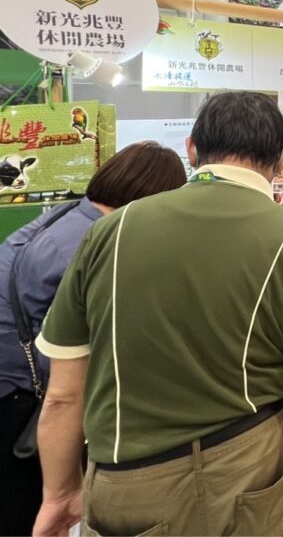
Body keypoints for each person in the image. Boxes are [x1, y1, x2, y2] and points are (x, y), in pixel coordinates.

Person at [33, 92, 283, 536]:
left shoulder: (109, 231)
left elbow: (63, 394)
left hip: (119, 480)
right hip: (243, 473)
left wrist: (59, 493)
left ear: (191, 149)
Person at [0, 142, 185, 536]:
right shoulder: (95, 245)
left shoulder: (67, 217)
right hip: (22, 404)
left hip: (13, 387)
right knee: (37, 515)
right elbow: (68, 374)